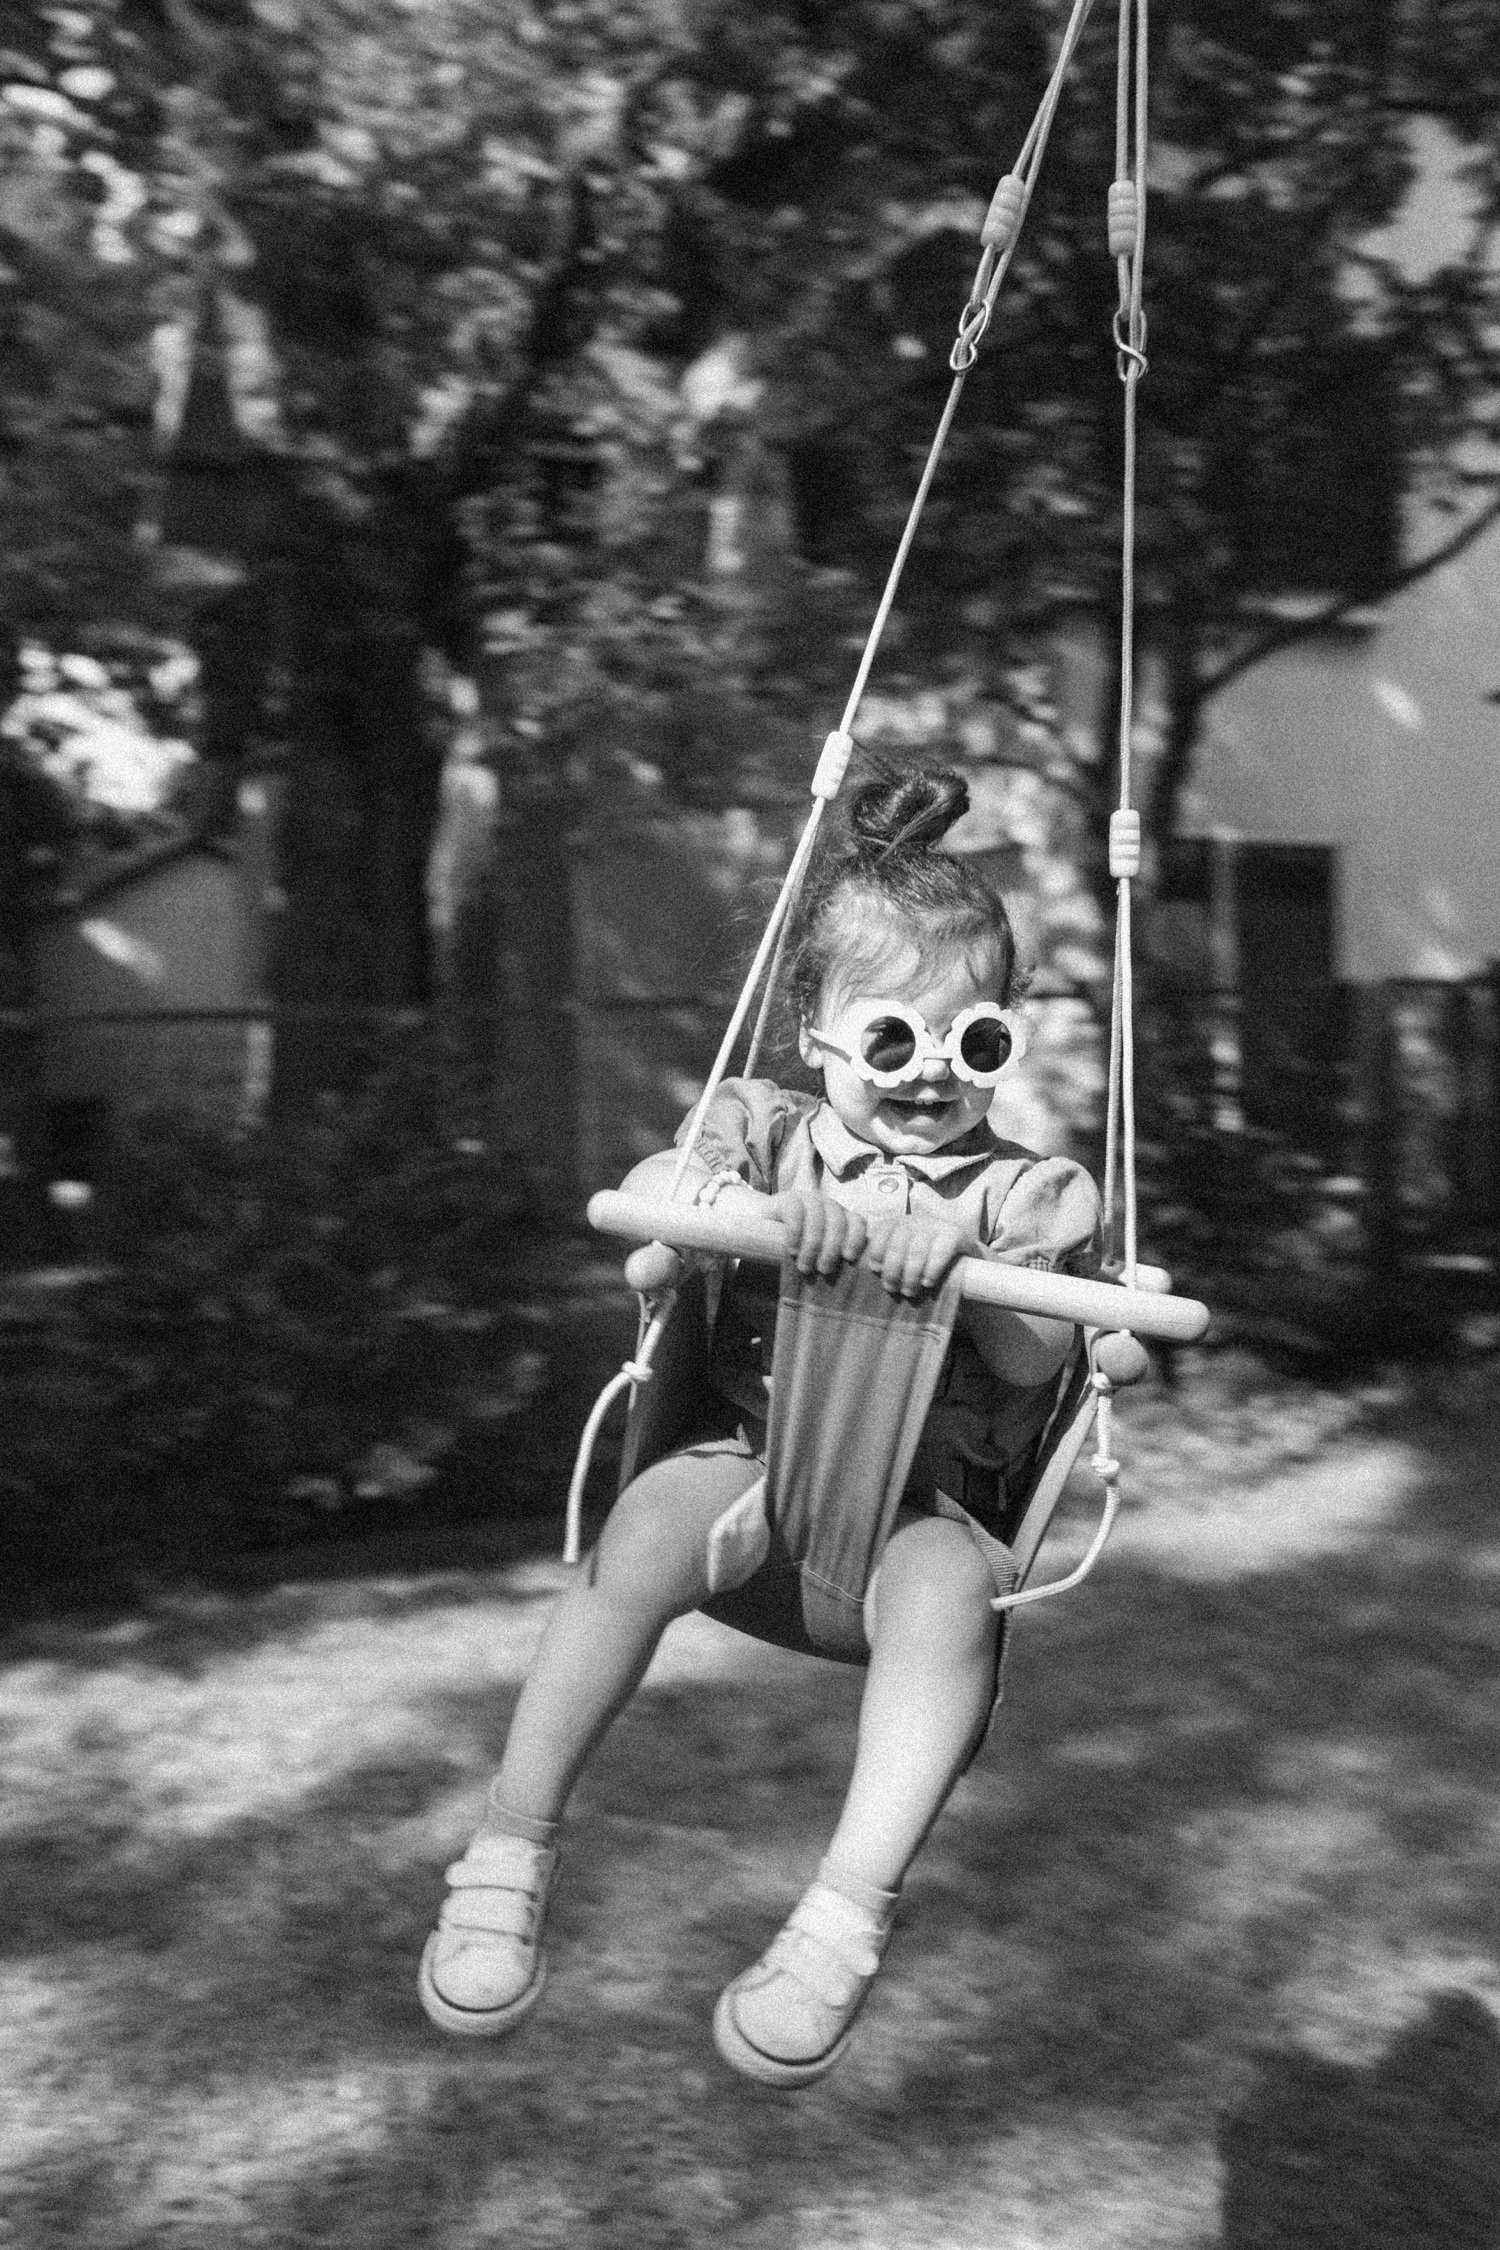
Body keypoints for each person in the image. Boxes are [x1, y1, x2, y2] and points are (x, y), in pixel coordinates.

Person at [418, 768, 1102, 2087]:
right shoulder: (758, 1127)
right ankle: (508, 1846)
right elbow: (651, 1238)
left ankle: (841, 1918)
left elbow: (1034, 1355)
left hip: (910, 1516)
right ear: (815, 1025)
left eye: (978, 1044)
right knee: (642, 1525)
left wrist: (951, 1249)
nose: (931, 1077)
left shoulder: (1029, 1189)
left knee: (962, 1591)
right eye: (894, 1040)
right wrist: (715, 1204)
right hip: (744, 1471)